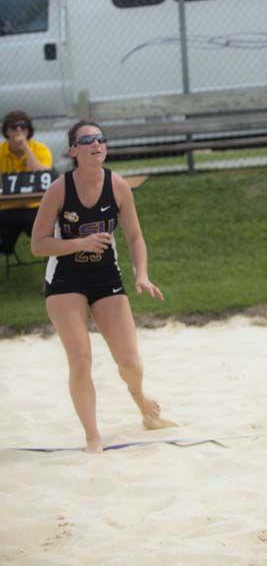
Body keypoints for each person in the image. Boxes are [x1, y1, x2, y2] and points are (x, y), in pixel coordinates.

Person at [31, 120, 173, 453]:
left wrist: (142, 275)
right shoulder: (59, 189)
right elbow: (38, 245)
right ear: (73, 151)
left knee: (130, 362)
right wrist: (79, 243)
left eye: (101, 139)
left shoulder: (118, 185)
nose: (96, 144)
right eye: (87, 140)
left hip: (106, 277)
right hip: (65, 279)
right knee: (80, 358)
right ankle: (93, 436)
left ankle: (142, 404)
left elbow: (135, 236)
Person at [0, 110, 53, 257]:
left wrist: (25, 148)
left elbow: (41, 174)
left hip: (34, 207)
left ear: (28, 130)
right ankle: (6, 246)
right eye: (14, 127)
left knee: (47, 231)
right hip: (6, 208)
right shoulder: (1, 151)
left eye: (23, 127)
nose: (19, 131)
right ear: (6, 131)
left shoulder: (40, 149)